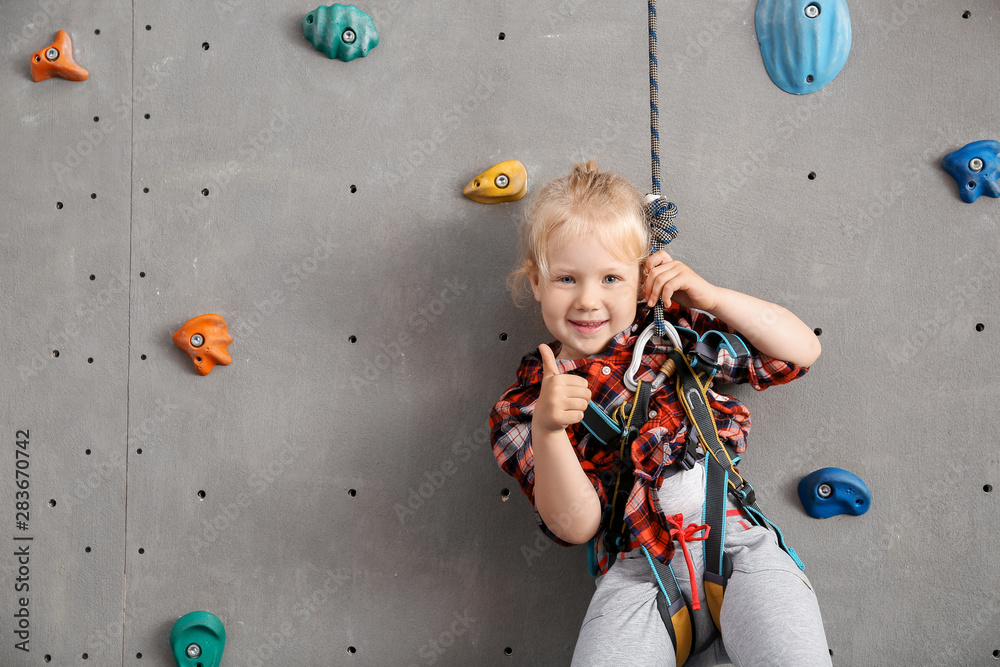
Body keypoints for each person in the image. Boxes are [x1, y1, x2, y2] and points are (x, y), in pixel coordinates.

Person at [490, 160, 832, 666]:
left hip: (738, 552)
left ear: (641, 278)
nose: (588, 299)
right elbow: (576, 525)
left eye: (610, 277)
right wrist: (549, 428)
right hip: (639, 574)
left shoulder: (674, 335)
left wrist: (712, 298)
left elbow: (800, 351)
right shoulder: (523, 406)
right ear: (537, 282)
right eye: (566, 278)